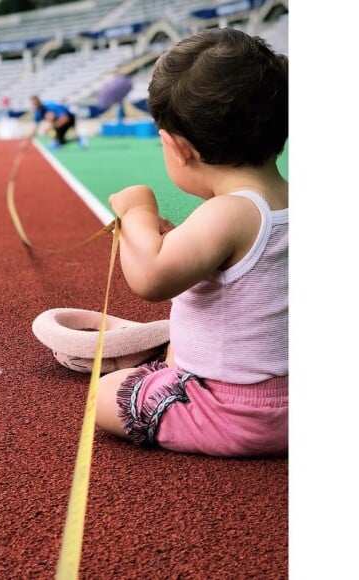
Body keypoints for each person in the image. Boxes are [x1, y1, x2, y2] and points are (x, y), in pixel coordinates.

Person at [95, 28, 288, 458]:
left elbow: (150, 277)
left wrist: (137, 212)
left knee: (104, 395)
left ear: (178, 148)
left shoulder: (230, 212)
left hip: (237, 413)